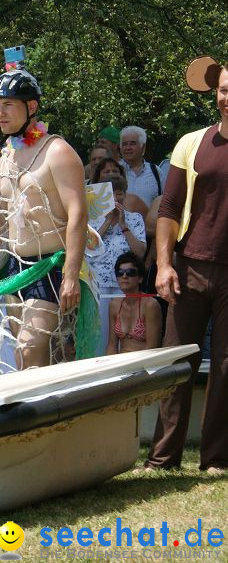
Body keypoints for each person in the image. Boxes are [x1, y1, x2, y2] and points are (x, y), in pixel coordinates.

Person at [144, 57, 228, 474]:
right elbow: (170, 208)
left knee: (227, 365)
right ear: (215, 92)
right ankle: (162, 458)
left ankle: (215, 458)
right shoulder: (191, 142)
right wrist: (163, 265)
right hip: (190, 263)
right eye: (225, 90)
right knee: (176, 362)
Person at [0, 65, 89, 371]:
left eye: (8, 105)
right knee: (23, 357)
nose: (1, 114)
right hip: (14, 266)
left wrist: (70, 276)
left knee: (30, 346)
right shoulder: (7, 154)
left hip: (50, 264)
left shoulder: (57, 151)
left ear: (32, 107)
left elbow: (78, 214)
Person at [87, 174, 147, 355]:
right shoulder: (92, 220)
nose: (115, 198)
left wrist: (123, 225)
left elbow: (140, 252)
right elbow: (89, 249)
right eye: (110, 194)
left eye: (119, 193)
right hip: (99, 287)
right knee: (100, 338)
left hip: (126, 285)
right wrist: (108, 221)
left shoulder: (135, 218)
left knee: (127, 336)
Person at [106, 252, 161, 354]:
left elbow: (152, 348)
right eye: (120, 273)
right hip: (121, 363)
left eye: (130, 272)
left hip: (144, 363)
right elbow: (112, 345)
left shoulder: (150, 305)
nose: (124, 276)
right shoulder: (114, 305)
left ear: (140, 278)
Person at [119, 125, 161, 208]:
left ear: (143, 147)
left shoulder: (156, 172)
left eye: (132, 143)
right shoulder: (114, 171)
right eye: (124, 144)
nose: (128, 148)